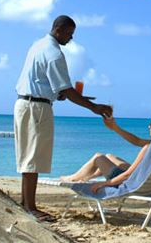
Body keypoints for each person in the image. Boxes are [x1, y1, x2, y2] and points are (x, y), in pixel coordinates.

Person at [14, 15, 113, 221]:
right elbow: (66, 90)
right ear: (58, 29)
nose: (71, 38)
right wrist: (94, 107)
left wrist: (63, 94)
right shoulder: (54, 53)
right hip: (38, 108)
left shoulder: (37, 45)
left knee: (27, 156)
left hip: (24, 103)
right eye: (69, 33)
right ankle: (31, 208)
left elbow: (47, 83)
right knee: (34, 157)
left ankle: (25, 203)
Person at [60, 112, 151, 194]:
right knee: (109, 156)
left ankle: (72, 178)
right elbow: (137, 141)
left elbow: (128, 175)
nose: (149, 127)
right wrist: (115, 128)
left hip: (132, 184)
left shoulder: (148, 147)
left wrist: (105, 183)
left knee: (98, 157)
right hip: (150, 184)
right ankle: (87, 177)